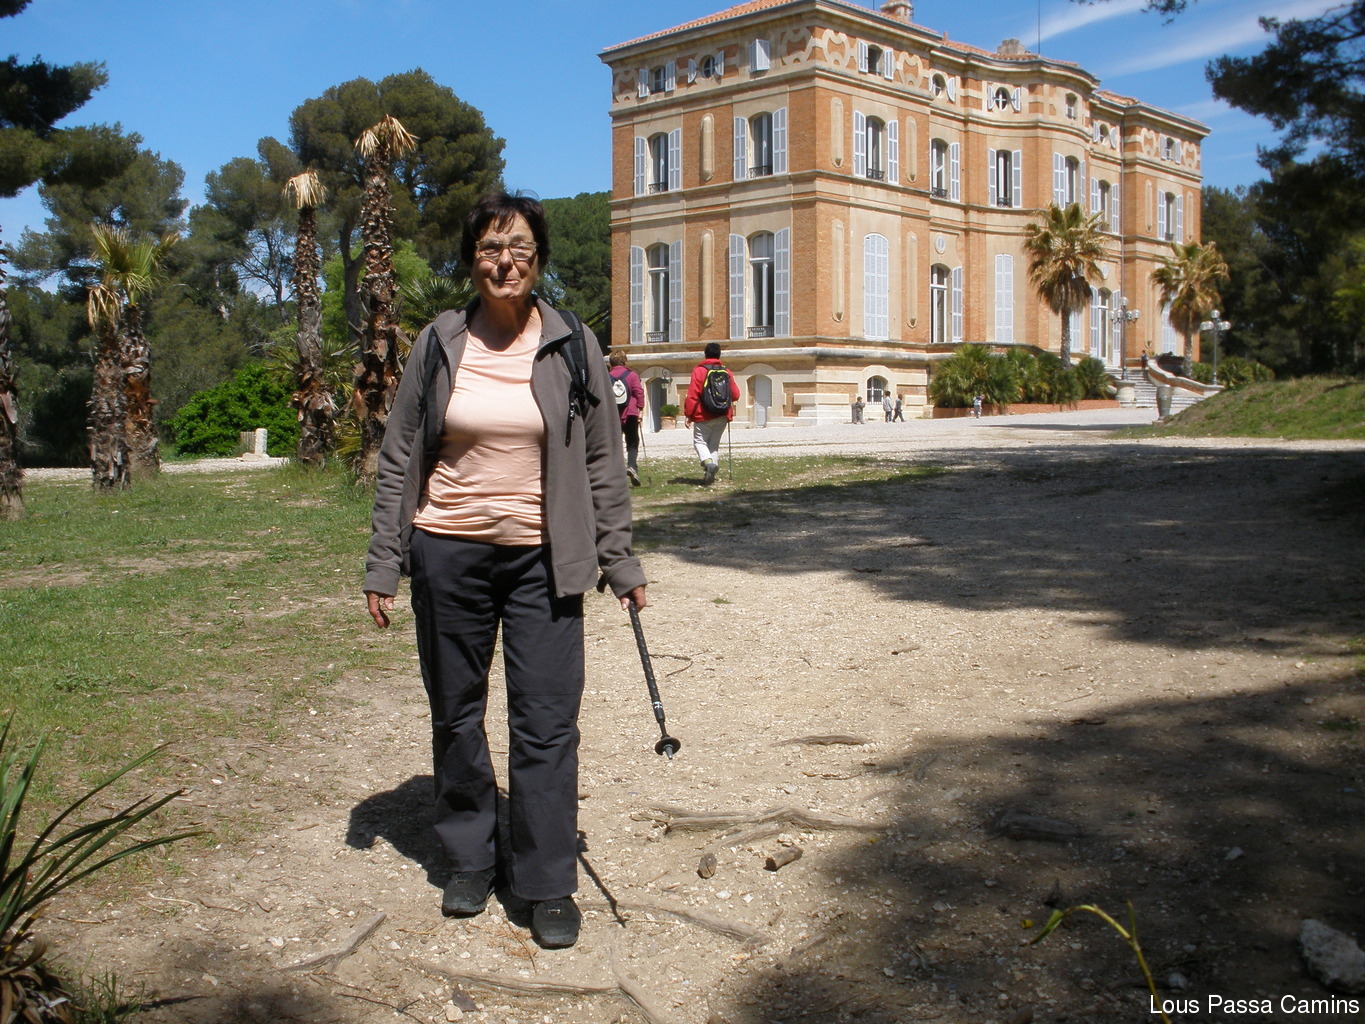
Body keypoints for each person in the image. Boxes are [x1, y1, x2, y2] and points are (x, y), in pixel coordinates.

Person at [363, 193, 647, 950]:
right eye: (490, 248)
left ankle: (546, 880)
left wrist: (619, 560)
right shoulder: (439, 342)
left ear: (538, 258)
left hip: (543, 562)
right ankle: (469, 857)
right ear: (471, 261)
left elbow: (602, 460)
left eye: (518, 247)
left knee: (546, 722)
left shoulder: (571, 343)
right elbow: (399, 455)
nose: (504, 261)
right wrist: (384, 561)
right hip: (447, 550)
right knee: (456, 711)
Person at [683, 342, 739, 485]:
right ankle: (710, 474)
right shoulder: (726, 371)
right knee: (713, 445)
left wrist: (688, 414)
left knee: (699, 442)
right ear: (719, 355)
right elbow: (736, 394)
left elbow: (692, 395)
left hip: (703, 414)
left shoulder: (699, 371)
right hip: (722, 414)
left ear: (705, 354)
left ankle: (708, 464)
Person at [608, 350, 645, 486]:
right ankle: (632, 467)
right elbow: (638, 392)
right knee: (633, 441)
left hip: (613, 415)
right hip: (630, 412)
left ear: (611, 363)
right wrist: (640, 408)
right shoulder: (632, 375)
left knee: (614, 443)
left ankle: (615, 473)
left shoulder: (607, 376)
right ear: (624, 361)